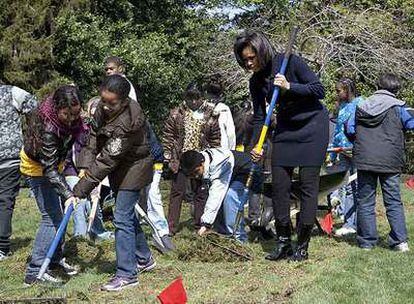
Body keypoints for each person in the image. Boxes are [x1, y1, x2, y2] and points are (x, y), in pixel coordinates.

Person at [234, 31, 329, 261]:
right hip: (286, 130)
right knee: (279, 186)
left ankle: (302, 246)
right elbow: (259, 116)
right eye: (244, 60)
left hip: (313, 127)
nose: (248, 63)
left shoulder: (289, 62)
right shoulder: (256, 81)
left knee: (308, 186)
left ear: (261, 50)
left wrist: (290, 86)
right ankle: (284, 242)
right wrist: (257, 145)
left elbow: (319, 90)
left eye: (251, 57)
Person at [73, 75, 154, 291]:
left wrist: (80, 190)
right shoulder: (103, 107)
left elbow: (107, 159)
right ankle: (145, 258)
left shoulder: (129, 123)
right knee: (126, 217)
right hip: (120, 169)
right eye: (104, 100)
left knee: (121, 217)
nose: (106, 106)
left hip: (135, 169)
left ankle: (127, 274)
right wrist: (83, 166)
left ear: (125, 101)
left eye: (112, 103)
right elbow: (93, 138)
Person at [21, 85, 83, 285]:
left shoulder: (70, 120)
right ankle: (34, 271)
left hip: (54, 166)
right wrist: (68, 193)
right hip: (38, 169)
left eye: (75, 113)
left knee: (61, 214)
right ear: (57, 108)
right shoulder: (49, 128)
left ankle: (54, 261)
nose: (72, 118)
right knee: (51, 217)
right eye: (67, 114)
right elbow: (48, 169)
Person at [346, 73, 414, 252]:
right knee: (393, 200)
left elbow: (349, 128)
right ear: (396, 89)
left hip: (365, 159)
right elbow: (411, 124)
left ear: (377, 86)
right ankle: (400, 241)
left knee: (365, 201)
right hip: (390, 160)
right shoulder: (400, 107)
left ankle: (367, 242)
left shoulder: (360, 106)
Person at [162, 82, 221, 235]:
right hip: (180, 158)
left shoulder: (211, 113)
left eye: (197, 98)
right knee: (177, 192)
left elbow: (215, 137)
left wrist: (213, 155)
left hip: (201, 159)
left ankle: (199, 226)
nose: (193, 102)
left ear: (202, 97)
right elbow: (169, 136)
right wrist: (168, 155)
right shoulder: (177, 113)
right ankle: (171, 227)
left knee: (200, 193)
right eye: (190, 98)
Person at [180, 148, 253, 242]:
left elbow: (216, 196)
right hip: (230, 173)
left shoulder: (218, 164)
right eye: (191, 175)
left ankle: (238, 238)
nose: (196, 176)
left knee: (230, 198)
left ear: (202, 163)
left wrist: (205, 224)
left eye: (196, 172)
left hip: (244, 169)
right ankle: (222, 234)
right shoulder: (203, 162)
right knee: (221, 201)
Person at [0, 83, 37, 260]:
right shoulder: (12, 92)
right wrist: (31, 131)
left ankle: (2, 246)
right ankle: (2, 247)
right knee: (5, 201)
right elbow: (34, 106)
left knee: (4, 201)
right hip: (10, 157)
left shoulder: (12, 92)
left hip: (9, 159)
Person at [328, 78, 363, 236]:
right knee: (346, 186)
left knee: (357, 187)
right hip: (342, 151)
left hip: (356, 151)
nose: (337, 94)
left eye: (339, 90)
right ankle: (349, 223)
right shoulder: (341, 106)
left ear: (348, 89)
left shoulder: (361, 104)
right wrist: (333, 153)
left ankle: (358, 223)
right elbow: (337, 132)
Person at [202, 74, 236, 150]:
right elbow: (230, 134)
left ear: (206, 92)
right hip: (222, 149)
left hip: (203, 150)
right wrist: (231, 151)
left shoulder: (201, 107)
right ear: (220, 93)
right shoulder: (224, 109)